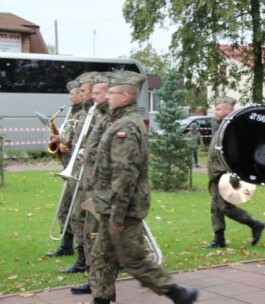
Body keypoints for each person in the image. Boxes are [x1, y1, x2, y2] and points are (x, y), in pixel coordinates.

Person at [89, 71, 198, 304]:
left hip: (122, 208)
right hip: (111, 205)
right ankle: (101, 300)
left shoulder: (126, 128)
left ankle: (177, 292)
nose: (107, 97)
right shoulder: (121, 121)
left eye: (112, 93)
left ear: (126, 97)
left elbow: (125, 175)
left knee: (133, 259)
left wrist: (117, 216)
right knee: (101, 258)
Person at [205, 96, 265, 248]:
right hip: (216, 173)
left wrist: (235, 174)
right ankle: (219, 238)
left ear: (227, 110)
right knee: (215, 208)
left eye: (218, 109)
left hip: (225, 173)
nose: (215, 112)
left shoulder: (235, 127)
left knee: (224, 207)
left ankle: (254, 224)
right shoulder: (220, 125)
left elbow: (239, 153)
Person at [70, 72, 110, 294]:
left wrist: (91, 157)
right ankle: (93, 275)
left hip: (100, 182)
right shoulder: (97, 115)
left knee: (101, 234)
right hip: (88, 177)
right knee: (87, 227)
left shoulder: (109, 118)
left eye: (96, 93)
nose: (92, 97)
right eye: (90, 92)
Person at [60, 72, 98, 274]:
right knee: (76, 216)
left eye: (83, 90)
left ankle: (87, 259)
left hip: (91, 174)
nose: (79, 94)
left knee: (82, 217)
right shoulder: (88, 113)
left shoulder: (96, 114)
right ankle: (82, 257)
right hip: (80, 170)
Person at [45, 79, 85, 258]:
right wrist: (58, 140)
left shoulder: (84, 113)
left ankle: (82, 252)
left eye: (73, 93)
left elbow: (82, 139)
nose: (70, 96)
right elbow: (68, 134)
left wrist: (66, 144)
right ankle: (67, 245)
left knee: (76, 211)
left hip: (78, 169)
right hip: (69, 165)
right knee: (64, 209)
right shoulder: (71, 112)